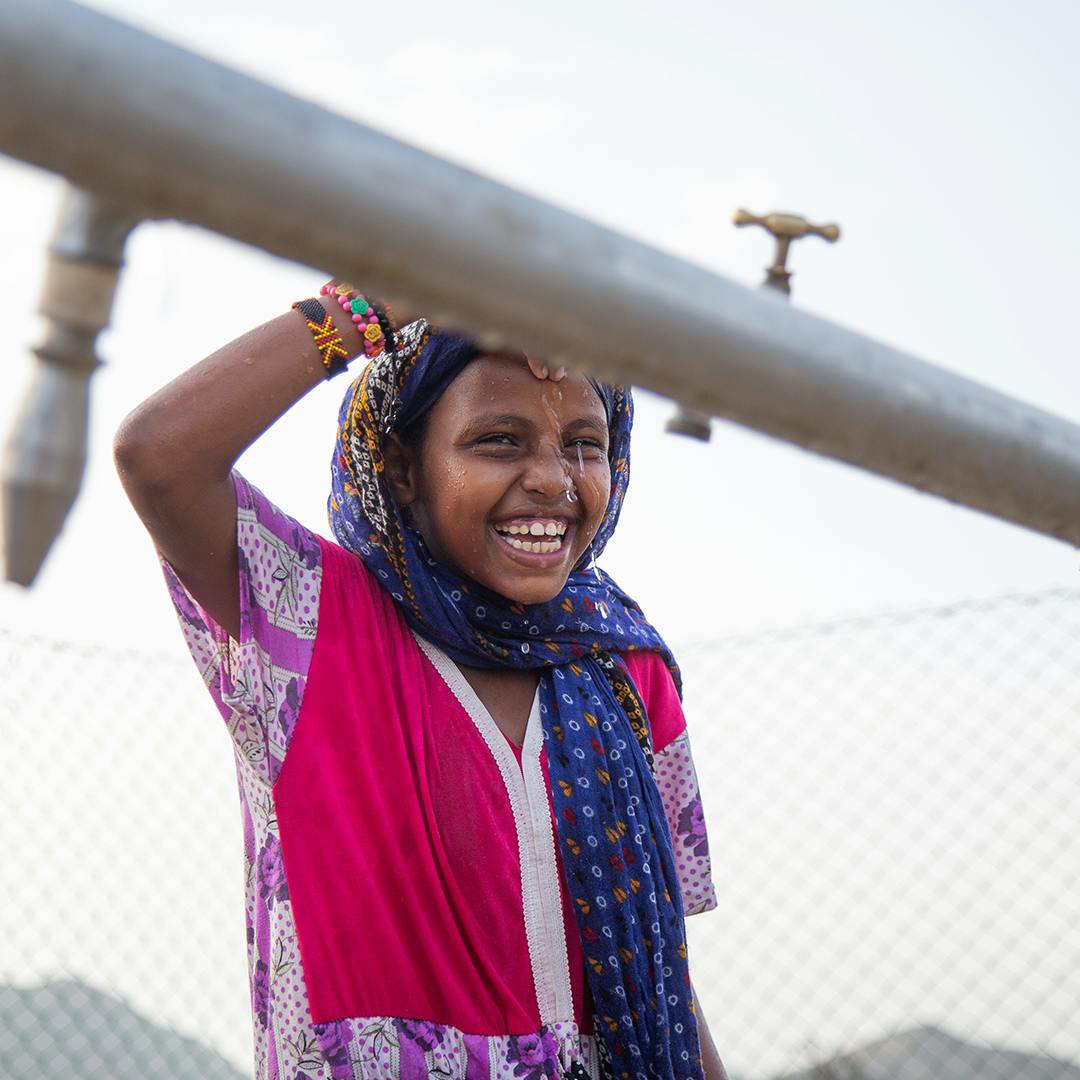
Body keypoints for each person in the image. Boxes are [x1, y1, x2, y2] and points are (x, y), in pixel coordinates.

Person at [114, 281, 727, 1080]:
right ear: (403, 469)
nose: (552, 478)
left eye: (583, 443)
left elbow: (657, 970)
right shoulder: (311, 623)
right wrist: (385, 300)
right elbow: (159, 455)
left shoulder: (626, 670)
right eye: (500, 441)